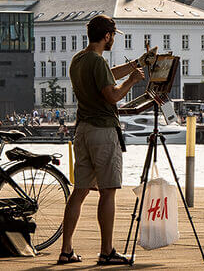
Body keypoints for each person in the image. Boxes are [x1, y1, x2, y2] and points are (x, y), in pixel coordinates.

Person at [58, 14, 155, 265]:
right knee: (108, 192)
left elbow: (108, 73)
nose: (113, 40)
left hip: (83, 131)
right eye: (113, 36)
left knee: (78, 192)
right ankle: (107, 251)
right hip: (103, 131)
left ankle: (66, 249)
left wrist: (137, 63)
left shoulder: (79, 60)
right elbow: (112, 95)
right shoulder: (97, 62)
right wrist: (132, 81)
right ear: (108, 36)